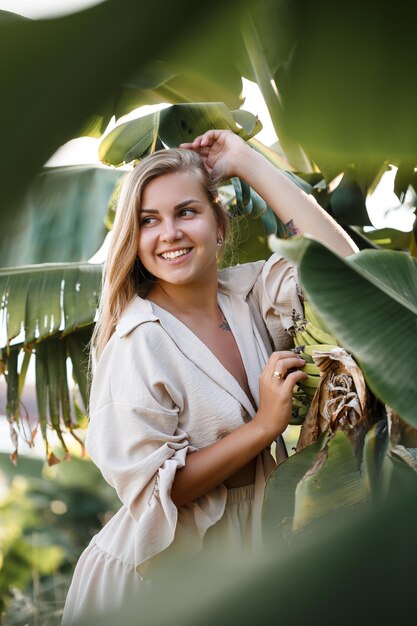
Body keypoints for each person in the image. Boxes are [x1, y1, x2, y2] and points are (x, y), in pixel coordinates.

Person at [62, 130, 357, 624]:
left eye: (186, 212)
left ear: (218, 224)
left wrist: (247, 162)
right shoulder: (139, 340)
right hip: (151, 581)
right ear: (134, 240)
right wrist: (265, 424)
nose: (169, 233)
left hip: (248, 553)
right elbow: (163, 489)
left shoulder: (249, 294)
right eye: (148, 221)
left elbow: (346, 270)